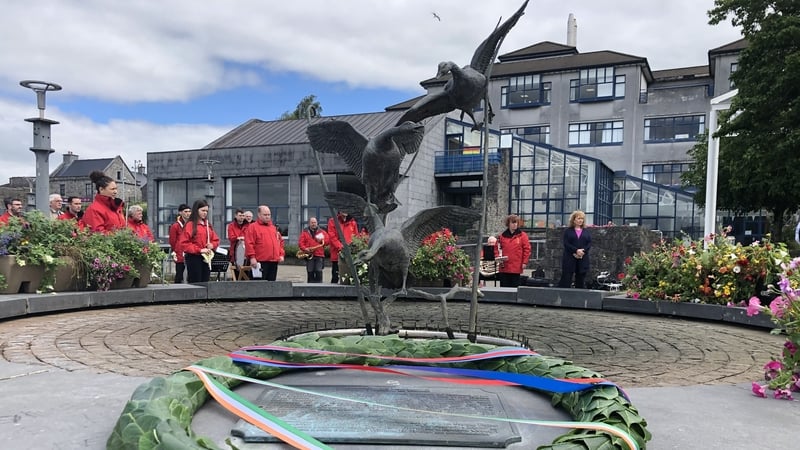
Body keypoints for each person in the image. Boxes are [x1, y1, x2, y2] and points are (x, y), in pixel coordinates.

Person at [179, 199, 220, 283]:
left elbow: (216, 239)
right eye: (203, 210)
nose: (205, 213)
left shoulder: (207, 225)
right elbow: (184, 243)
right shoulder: (190, 225)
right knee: (196, 282)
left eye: (206, 211)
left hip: (206, 257)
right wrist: (200, 250)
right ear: (196, 210)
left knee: (205, 281)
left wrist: (212, 245)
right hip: (194, 258)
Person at [244, 205, 285, 281]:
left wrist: (281, 254)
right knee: (258, 286)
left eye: (269, 215)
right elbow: (249, 243)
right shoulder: (253, 227)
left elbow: (280, 242)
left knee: (271, 285)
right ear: (259, 215)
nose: (267, 217)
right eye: (265, 215)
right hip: (260, 262)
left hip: (273, 261)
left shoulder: (273, 228)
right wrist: (252, 257)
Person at [493, 214, 531, 288]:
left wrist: (524, 262)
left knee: (514, 289)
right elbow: (497, 248)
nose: (515, 224)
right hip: (504, 267)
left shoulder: (523, 236)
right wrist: (497, 257)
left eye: (516, 222)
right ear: (508, 224)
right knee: (504, 289)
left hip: (516, 267)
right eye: (513, 222)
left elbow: (527, 249)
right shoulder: (501, 236)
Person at [558, 210, 592, 289]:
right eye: (578, 218)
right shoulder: (568, 231)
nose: (580, 220)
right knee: (566, 278)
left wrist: (582, 252)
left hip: (582, 258)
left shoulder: (586, 232)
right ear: (574, 220)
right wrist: (576, 251)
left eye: (582, 218)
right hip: (570, 258)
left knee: (580, 279)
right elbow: (566, 243)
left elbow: (589, 243)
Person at [327, 212, 358, 283]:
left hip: (350, 254)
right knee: (335, 276)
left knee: (350, 276)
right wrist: (341, 247)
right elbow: (332, 236)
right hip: (337, 253)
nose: (345, 211)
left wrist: (354, 248)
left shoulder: (353, 222)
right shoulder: (333, 221)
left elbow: (356, 237)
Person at [298, 217, 326, 283]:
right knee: (310, 272)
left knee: (319, 272)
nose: (314, 224)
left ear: (317, 223)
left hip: (319, 255)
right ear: (309, 223)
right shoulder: (305, 232)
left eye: (315, 222)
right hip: (309, 255)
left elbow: (327, 241)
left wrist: (322, 240)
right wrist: (305, 249)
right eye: (312, 222)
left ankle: (320, 288)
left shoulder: (321, 232)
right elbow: (300, 243)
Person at [168, 204, 191, 284]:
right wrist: (176, 250)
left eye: (189, 211)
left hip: (190, 252)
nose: (188, 213)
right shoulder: (175, 226)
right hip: (180, 254)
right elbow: (172, 241)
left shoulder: (192, 224)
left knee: (190, 275)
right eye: (185, 211)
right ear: (180, 213)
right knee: (179, 274)